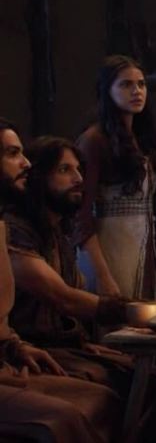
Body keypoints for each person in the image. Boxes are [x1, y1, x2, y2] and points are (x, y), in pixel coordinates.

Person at [3, 136, 132, 394]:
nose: (78, 179)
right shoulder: (15, 229)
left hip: (61, 347)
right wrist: (139, 312)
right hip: (33, 350)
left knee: (146, 372)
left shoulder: (58, 230)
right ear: (37, 177)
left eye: (78, 169)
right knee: (122, 384)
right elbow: (62, 298)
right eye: (64, 170)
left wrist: (81, 342)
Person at [0, 206, 120, 443]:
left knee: (107, 397)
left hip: (7, 362)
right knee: (62, 418)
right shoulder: (16, 230)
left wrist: (13, 345)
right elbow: (62, 297)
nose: (25, 165)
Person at [76, 55, 156, 299]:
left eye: (141, 84)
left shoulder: (143, 138)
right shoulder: (94, 141)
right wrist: (102, 275)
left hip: (141, 246)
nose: (137, 91)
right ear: (107, 90)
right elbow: (80, 215)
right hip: (107, 249)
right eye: (126, 84)